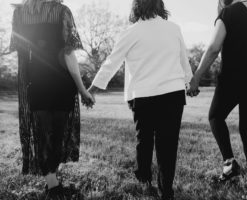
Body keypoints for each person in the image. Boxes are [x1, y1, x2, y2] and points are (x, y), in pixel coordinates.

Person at [88, 0, 193, 198]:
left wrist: (93, 88)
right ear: (160, 6)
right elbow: (183, 60)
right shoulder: (174, 28)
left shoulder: (131, 32)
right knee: (168, 144)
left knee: (144, 139)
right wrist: (190, 82)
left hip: (143, 96)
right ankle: (166, 189)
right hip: (173, 94)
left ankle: (144, 176)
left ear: (136, 7)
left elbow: (112, 62)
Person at [187, 0, 247, 192]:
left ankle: (230, 164)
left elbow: (213, 48)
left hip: (232, 80)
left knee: (215, 117)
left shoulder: (228, 13)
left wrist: (196, 77)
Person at [10, 0, 94, 196]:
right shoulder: (61, 12)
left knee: (41, 135)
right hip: (61, 84)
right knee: (56, 135)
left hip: (36, 83)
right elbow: (69, 55)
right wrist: (82, 90)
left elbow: (22, 55)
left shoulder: (20, 14)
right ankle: (54, 186)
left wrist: (25, 85)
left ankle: (51, 182)